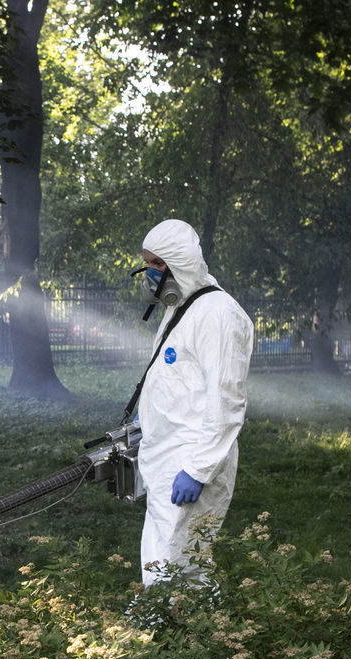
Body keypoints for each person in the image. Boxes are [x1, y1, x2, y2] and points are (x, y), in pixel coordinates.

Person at [135, 219, 253, 589]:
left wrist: (199, 469)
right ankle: (179, 634)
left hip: (192, 460)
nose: (148, 273)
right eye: (147, 262)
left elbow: (227, 400)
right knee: (169, 561)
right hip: (165, 456)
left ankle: (174, 638)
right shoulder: (181, 307)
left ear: (178, 263)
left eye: (156, 263)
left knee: (177, 565)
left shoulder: (218, 313)